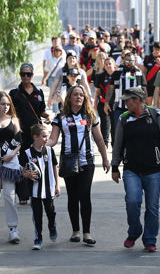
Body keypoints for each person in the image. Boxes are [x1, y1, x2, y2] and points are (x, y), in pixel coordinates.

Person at [111, 87, 160, 252]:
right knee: (132, 202)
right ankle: (134, 231)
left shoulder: (157, 115)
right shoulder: (124, 119)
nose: (125, 103)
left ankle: (150, 239)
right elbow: (118, 143)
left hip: (154, 170)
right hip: (131, 170)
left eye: (128, 100)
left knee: (152, 206)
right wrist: (114, 166)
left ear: (138, 100)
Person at [48, 86, 110, 246]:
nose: (78, 97)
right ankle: (75, 231)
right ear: (69, 97)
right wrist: (41, 144)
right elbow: (53, 140)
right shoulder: (60, 117)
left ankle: (86, 233)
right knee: (73, 197)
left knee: (85, 195)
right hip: (69, 163)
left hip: (87, 162)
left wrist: (105, 158)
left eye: (81, 95)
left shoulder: (90, 116)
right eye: (75, 94)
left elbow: (99, 139)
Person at [9, 63, 51, 205]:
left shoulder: (38, 92)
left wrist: (48, 116)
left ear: (32, 75)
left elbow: (41, 110)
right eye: (23, 74)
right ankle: (23, 195)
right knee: (21, 162)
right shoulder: (14, 93)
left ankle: (36, 192)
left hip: (35, 134)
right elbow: (9, 112)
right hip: (20, 133)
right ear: (20, 75)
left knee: (35, 161)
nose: (25, 77)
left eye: (28, 74)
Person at [21, 124, 60, 250]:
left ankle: (52, 227)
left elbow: (55, 167)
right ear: (35, 137)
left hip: (48, 189)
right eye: (43, 136)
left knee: (51, 212)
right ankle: (38, 238)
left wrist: (57, 185)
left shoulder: (49, 150)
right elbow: (21, 169)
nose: (46, 138)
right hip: (35, 191)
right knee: (37, 216)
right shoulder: (27, 153)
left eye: (47, 136)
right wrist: (26, 174)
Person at [0, 92, 22, 243]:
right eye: (2, 104)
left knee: (10, 196)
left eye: (8, 104)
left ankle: (13, 229)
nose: (5, 107)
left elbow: (19, 140)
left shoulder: (13, 120)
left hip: (9, 162)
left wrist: (11, 155)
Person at [104, 52, 147, 126]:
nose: (129, 63)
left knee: (135, 131)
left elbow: (144, 89)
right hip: (120, 108)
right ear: (124, 61)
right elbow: (111, 89)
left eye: (131, 61)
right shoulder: (117, 72)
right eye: (127, 61)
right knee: (119, 131)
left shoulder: (139, 73)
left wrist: (144, 104)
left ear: (135, 61)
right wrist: (106, 103)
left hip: (135, 108)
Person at [94, 57, 117, 148]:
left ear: (114, 65)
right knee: (105, 124)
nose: (108, 65)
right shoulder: (100, 76)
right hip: (103, 103)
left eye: (110, 63)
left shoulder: (119, 74)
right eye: (106, 64)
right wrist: (95, 104)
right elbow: (97, 91)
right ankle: (105, 144)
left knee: (115, 125)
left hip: (116, 103)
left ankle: (115, 144)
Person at [42, 44, 65, 114]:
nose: (58, 52)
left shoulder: (63, 60)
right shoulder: (50, 60)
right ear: (53, 51)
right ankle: (56, 112)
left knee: (61, 94)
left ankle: (62, 110)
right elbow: (46, 70)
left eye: (59, 50)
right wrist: (43, 79)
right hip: (52, 78)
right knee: (54, 94)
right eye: (56, 50)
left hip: (61, 79)